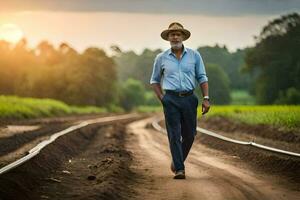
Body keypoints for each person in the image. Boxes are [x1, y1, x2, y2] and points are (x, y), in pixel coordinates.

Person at [150, 22, 210, 179]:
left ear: (183, 36)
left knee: (190, 134)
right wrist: (163, 98)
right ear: (168, 38)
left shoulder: (194, 56)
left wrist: (206, 98)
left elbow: (202, 77)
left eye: (178, 34)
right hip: (170, 99)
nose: (175, 37)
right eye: (172, 34)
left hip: (190, 99)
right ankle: (179, 169)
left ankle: (177, 160)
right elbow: (154, 81)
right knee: (174, 135)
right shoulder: (161, 58)